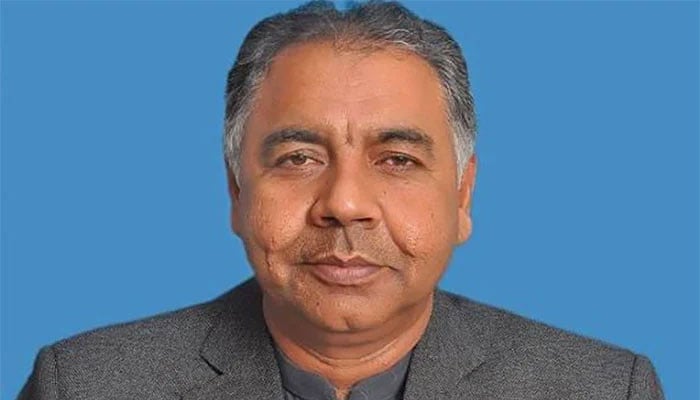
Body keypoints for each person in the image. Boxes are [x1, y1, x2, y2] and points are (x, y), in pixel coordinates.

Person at [18, 1, 664, 399]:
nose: (346, 203)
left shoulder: (603, 390)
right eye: (299, 158)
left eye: (397, 159)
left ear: (462, 194)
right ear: (236, 191)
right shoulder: (85, 385)